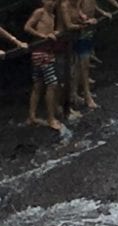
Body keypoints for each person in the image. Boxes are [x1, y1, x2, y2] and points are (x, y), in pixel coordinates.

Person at [23, 0, 62, 130]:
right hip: (40, 53)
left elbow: (52, 31)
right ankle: (51, 119)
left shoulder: (53, 16)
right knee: (52, 84)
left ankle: (32, 116)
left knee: (38, 84)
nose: (52, 2)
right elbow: (27, 27)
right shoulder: (40, 12)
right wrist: (43, 36)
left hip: (47, 51)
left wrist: (54, 33)